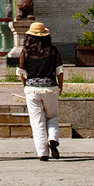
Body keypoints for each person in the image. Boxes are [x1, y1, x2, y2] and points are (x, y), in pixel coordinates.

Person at [20, 22, 64, 161]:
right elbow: (59, 70)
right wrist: (60, 86)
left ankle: (42, 153)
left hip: (32, 89)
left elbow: (22, 72)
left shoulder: (26, 52)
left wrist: (26, 85)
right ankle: (52, 138)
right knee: (52, 116)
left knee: (36, 121)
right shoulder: (52, 50)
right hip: (50, 87)